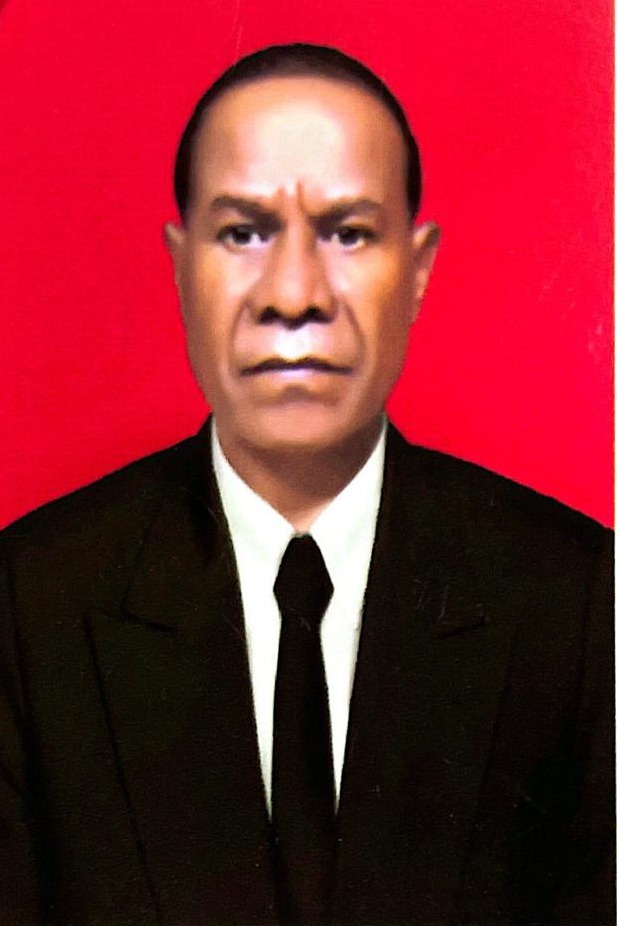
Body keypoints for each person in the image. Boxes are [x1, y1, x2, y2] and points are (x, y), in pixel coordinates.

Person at [0, 43, 612, 926]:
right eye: (242, 233)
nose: (293, 295)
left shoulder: (581, 604)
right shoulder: (28, 607)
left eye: (348, 232)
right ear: (180, 264)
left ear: (418, 269)